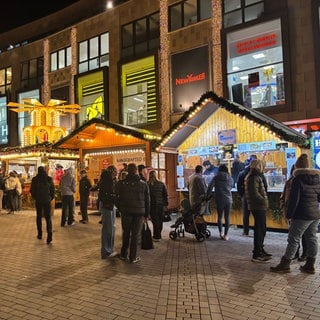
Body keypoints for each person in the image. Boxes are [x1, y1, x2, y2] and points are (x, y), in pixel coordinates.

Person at [270, 154, 320, 274]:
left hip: (301, 214)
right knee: (312, 238)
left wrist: (289, 214)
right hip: (315, 214)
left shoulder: (297, 179)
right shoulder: (317, 178)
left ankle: (285, 264)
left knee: (293, 239)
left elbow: (294, 200)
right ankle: (310, 264)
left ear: (297, 166)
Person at [115, 163, 150, 263]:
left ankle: (123, 254)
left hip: (126, 212)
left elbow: (116, 198)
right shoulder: (143, 184)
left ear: (127, 171)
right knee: (135, 235)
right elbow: (148, 200)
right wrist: (147, 214)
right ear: (136, 171)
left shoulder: (121, 184)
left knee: (126, 233)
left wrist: (120, 208)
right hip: (139, 213)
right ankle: (133, 257)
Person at [245, 159, 272, 263]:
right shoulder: (254, 177)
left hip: (257, 206)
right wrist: (264, 201)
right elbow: (255, 194)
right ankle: (257, 254)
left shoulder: (253, 176)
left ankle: (260, 249)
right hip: (258, 206)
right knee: (260, 229)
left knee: (261, 228)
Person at [279, 164, 307, 261]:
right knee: (295, 234)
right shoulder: (289, 182)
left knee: (301, 234)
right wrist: (283, 205)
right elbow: (284, 195)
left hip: (300, 211)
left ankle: (304, 254)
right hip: (292, 210)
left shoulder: (302, 181)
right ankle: (296, 253)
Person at [207, 164, 233, 240]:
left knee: (220, 217)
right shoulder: (230, 178)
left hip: (220, 199)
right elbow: (231, 186)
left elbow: (210, 187)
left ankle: (220, 233)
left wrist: (207, 196)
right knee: (227, 217)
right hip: (228, 199)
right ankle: (226, 235)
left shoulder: (216, 177)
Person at [30, 166, 55, 244]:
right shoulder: (49, 179)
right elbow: (53, 191)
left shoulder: (35, 179)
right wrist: (50, 198)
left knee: (39, 216)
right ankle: (49, 235)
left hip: (38, 200)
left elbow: (32, 191)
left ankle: (40, 234)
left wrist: (36, 197)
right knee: (48, 218)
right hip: (47, 200)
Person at [99, 165, 118, 259]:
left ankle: (109, 249)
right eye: (115, 171)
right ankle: (107, 251)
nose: (117, 173)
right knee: (108, 229)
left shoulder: (109, 180)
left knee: (110, 228)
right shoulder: (107, 181)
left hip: (109, 206)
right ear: (112, 172)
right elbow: (106, 195)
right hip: (108, 206)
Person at [148, 170, 168, 241]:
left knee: (155, 221)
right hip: (161, 205)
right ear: (156, 175)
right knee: (160, 220)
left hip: (152, 205)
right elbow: (165, 195)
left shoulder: (148, 184)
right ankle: (158, 234)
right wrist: (165, 204)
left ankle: (157, 236)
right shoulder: (161, 184)